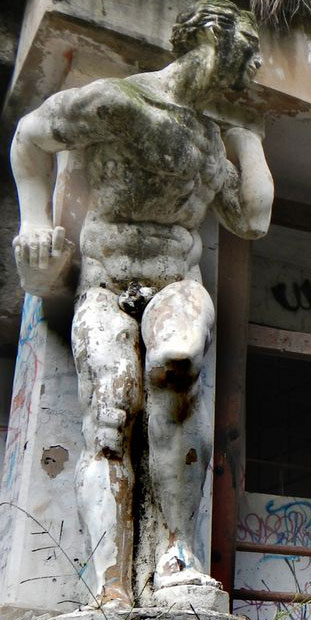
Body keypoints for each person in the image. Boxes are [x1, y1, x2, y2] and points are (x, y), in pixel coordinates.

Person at [9, 0, 273, 610]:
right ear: (212, 38)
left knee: (176, 362)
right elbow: (29, 138)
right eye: (249, 45)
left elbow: (253, 219)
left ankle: (176, 553)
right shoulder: (118, 102)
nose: (257, 61)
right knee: (109, 406)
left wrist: (246, 139)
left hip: (176, 282)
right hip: (105, 282)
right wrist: (33, 223)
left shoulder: (209, 142)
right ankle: (110, 586)